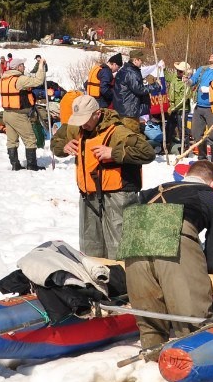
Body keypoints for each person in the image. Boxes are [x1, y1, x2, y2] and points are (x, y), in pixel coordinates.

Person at [124, 159, 213, 359]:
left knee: (150, 318)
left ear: (186, 174)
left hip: (134, 235)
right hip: (175, 234)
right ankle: (198, 361)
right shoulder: (211, 197)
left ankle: (153, 359)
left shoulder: (154, 190)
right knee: (190, 316)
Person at [51, 95, 156, 259]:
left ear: (97, 113)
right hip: (88, 195)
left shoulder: (117, 131)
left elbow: (148, 153)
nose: (82, 124)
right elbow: (56, 142)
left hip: (117, 195)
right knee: (90, 245)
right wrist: (63, 147)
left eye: (86, 119)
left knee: (120, 246)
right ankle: (97, 279)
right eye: (79, 120)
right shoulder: (76, 127)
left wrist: (113, 153)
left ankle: (123, 280)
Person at [0, 57, 48, 171]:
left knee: (12, 141)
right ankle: (32, 165)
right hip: (18, 115)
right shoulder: (19, 80)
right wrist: (40, 65)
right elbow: (38, 81)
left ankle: (15, 164)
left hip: (6, 114)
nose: (24, 67)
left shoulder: (4, 78)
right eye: (22, 65)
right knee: (30, 139)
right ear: (18, 67)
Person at [186, 49, 213, 161]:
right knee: (197, 134)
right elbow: (193, 81)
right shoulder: (202, 69)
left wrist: (209, 90)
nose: (211, 55)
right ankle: (202, 158)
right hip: (199, 107)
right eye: (212, 53)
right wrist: (187, 81)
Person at [110, 53, 148, 131]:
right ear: (135, 60)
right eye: (141, 60)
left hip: (121, 110)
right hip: (129, 112)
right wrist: (155, 86)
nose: (142, 62)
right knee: (132, 136)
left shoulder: (123, 70)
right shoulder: (131, 73)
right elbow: (139, 89)